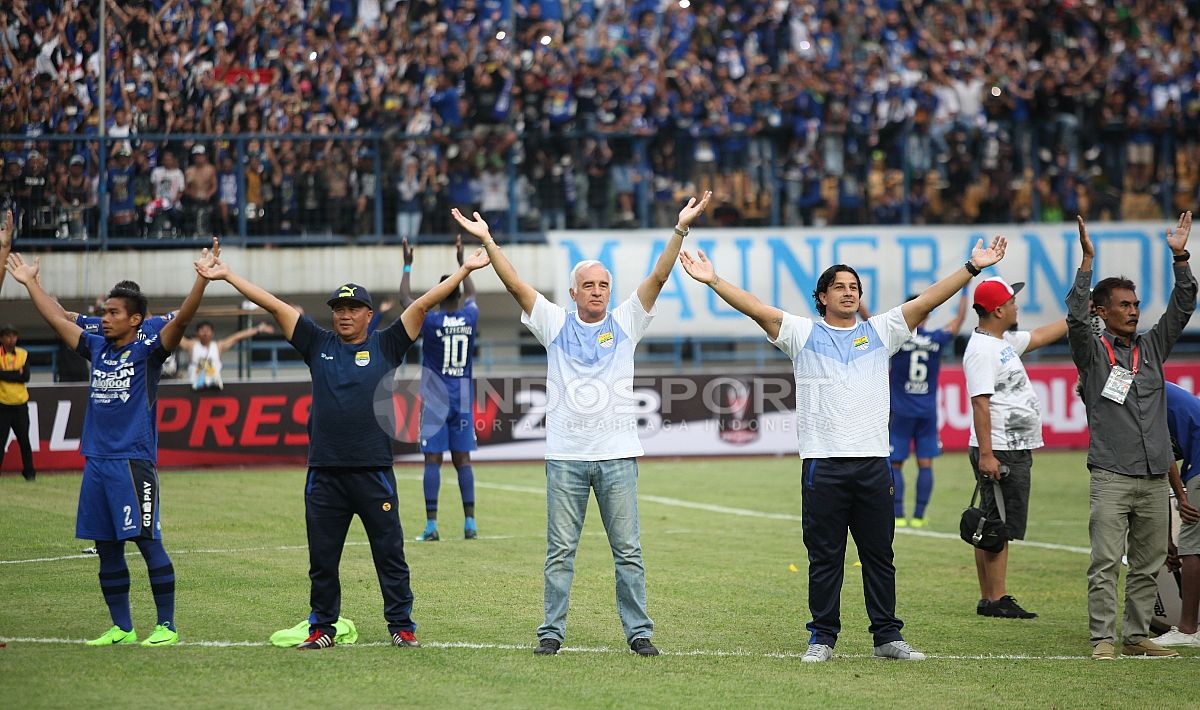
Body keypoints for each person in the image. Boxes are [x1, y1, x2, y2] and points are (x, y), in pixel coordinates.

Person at [678, 234, 1011, 663]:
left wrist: (972, 267)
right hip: (823, 465)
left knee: (880, 556)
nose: (849, 292)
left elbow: (928, 300)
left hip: (874, 464)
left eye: (854, 286)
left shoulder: (881, 331)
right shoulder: (801, 333)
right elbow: (756, 307)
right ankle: (822, 638)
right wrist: (713, 280)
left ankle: (887, 638)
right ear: (822, 297)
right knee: (825, 558)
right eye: (840, 286)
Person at [452, 191, 712, 657]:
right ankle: (551, 632)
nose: (597, 291)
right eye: (588, 285)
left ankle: (639, 633)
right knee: (559, 553)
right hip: (566, 457)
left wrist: (680, 229)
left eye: (603, 285)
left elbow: (659, 275)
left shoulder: (628, 321)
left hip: (616, 456)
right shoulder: (553, 323)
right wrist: (489, 241)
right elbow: (515, 286)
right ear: (573, 293)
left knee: (628, 552)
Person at [195, 243, 492, 651]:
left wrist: (463, 271)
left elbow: (422, 305)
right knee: (322, 560)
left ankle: (402, 627)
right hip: (325, 475)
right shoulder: (317, 343)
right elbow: (275, 306)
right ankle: (322, 629)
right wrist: (228, 276)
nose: (344, 315)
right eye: (338, 309)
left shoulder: (387, 345)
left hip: (373, 472)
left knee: (390, 557)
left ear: (369, 315)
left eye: (353, 309)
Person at [4, 241, 215, 647]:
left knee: (148, 539)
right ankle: (122, 626)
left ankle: (166, 626)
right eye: (104, 311)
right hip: (97, 461)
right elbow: (57, 321)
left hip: (133, 461)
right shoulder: (96, 347)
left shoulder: (149, 351)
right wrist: (31, 285)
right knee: (106, 546)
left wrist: (200, 282)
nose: (105, 318)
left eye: (113, 313)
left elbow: (183, 320)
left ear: (136, 320)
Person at [1067, 213, 1196, 660]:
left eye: (1136, 303)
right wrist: (1087, 262)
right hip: (1111, 475)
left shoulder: (1152, 349)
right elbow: (1076, 322)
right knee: (1105, 562)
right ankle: (1102, 639)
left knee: (1148, 564)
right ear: (1102, 311)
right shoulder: (1092, 355)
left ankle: (1137, 636)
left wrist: (1180, 257)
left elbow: (1182, 308)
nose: (1134, 310)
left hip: (1153, 478)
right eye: (1123, 304)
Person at [963, 277, 1067, 620]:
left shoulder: (1001, 341)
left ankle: (987, 597)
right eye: (1012, 301)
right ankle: (996, 598)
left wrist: (1077, 315)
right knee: (997, 525)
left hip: (1007, 446)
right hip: (1002, 449)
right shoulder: (982, 350)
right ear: (997, 310)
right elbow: (980, 404)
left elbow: (1038, 337)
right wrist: (989, 454)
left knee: (988, 521)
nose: (1016, 306)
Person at [399, 235, 479, 542]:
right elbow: (471, 291)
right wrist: (464, 264)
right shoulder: (470, 315)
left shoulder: (430, 320)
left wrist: (407, 264)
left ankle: (432, 526)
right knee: (464, 461)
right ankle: (470, 523)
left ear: (438, 294)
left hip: (434, 400)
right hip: (461, 398)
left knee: (432, 460)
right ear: (458, 296)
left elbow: (406, 297)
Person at [887, 290, 968, 527]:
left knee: (895, 463)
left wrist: (860, 305)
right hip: (927, 411)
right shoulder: (936, 337)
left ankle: (899, 515)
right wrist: (965, 290)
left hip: (900, 410)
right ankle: (920, 516)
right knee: (925, 463)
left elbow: (868, 319)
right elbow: (958, 321)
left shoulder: (898, 337)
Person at [1150, 382, 1200, 647]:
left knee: (1192, 546)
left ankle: (1188, 630)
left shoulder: (1138, 393)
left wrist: (1181, 495)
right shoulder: (1157, 385)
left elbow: (1162, 456)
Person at [182, 320, 274, 391]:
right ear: (197, 333)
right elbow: (174, 336)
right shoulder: (191, 345)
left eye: (208, 330)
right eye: (202, 330)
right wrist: (168, 320)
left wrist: (258, 329)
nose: (205, 333)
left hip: (214, 388)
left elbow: (238, 336)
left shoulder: (218, 346)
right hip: (194, 386)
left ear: (212, 333)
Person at [0, 322, 35, 480]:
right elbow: (19, 376)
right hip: (3, 405)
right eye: (7, 335)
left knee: (25, 442)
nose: (11, 339)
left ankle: (29, 473)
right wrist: (16, 373)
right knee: (0, 443)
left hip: (20, 405)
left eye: (13, 335)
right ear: (1, 338)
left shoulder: (23, 354)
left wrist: (5, 374)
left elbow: (25, 377)